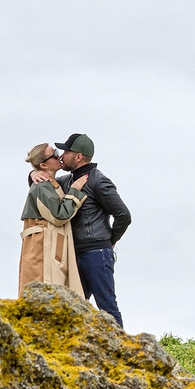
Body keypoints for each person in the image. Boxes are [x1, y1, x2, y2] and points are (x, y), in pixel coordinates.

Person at [53, 132, 132, 327]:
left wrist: (110, 241)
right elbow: (41, 185)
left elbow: (123, 215)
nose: (62, 156)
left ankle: (121, 346)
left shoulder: (97, 180)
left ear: (78, 157)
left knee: (107, 307)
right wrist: (32, 174)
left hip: (97, 253)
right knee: (73, 308)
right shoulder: (67, 181)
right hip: (75, 253)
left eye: (66, 152)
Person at [17, 143, 88, 303]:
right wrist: (74, 193)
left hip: (49, 248)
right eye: (54, 154)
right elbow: (59, 215)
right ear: (43, 165)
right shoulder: (42, 186)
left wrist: (32, 173)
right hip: (41, 249)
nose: (59, 156)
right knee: (42, 293)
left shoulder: (51, 184)